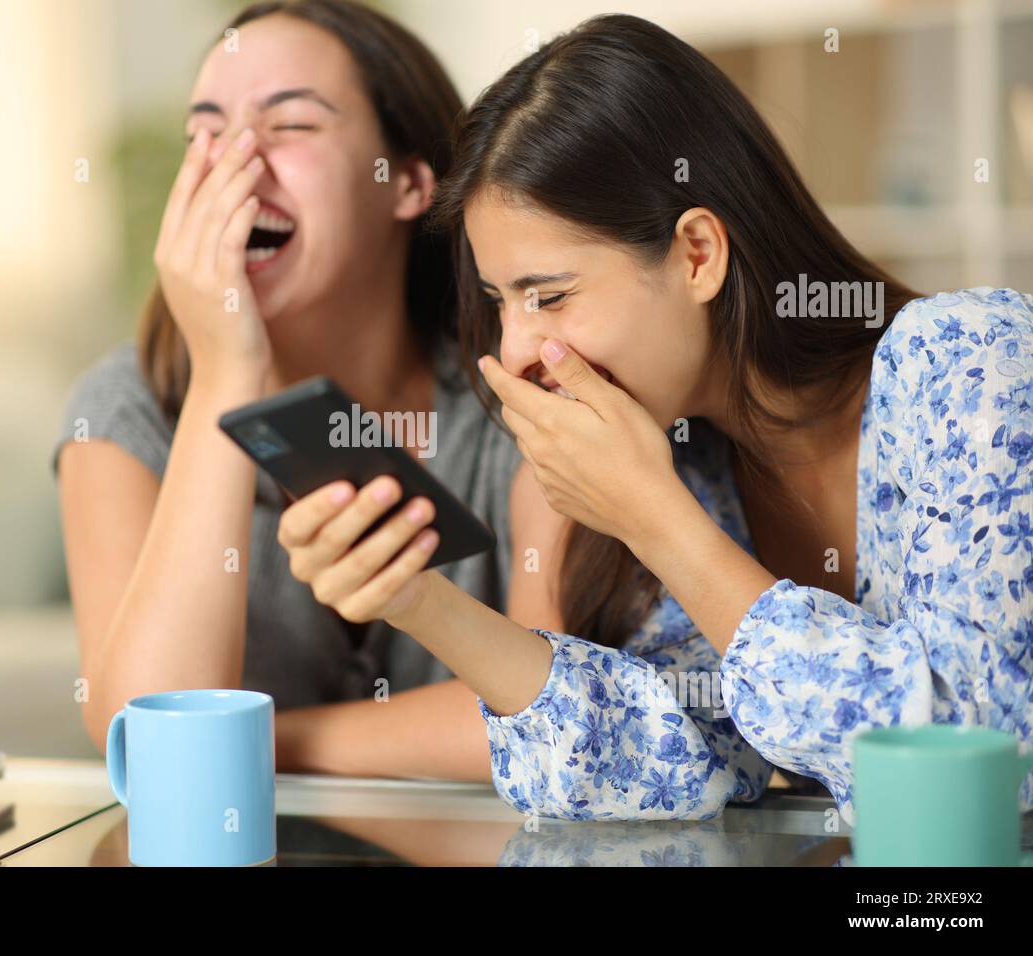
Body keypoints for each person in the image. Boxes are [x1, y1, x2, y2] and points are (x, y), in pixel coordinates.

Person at [277, 14, 1033, 822]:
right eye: (500, 302)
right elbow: (665, 762)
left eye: (551, 294)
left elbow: (982, 763)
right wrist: (416, 599)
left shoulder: (969, 357)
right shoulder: (691, 459)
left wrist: (659, 521)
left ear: (698, 254)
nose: (516, 352)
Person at [53, 0, 563, 779]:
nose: (236, 163)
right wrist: (226, 370)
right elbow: (150, 730)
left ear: (409, 183)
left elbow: (556, 710)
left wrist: (252, 745)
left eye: (289, 125)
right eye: (207, 132)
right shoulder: (123, 409)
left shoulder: (517, 390)